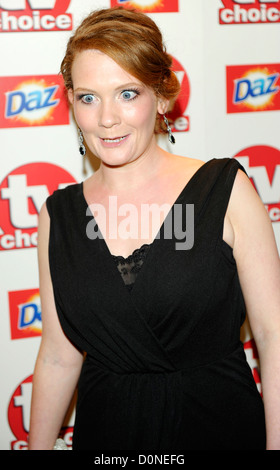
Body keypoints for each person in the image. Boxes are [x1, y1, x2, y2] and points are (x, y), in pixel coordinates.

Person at [28, 7, 280, 451]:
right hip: (108, 436)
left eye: (127, 93)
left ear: (162, 97)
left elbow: (273, 335)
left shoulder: (226, 190)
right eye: (88, 97)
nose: (107, 118)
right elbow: (56, 354)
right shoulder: (58, 216)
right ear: (71, 102)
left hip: (218, 427)